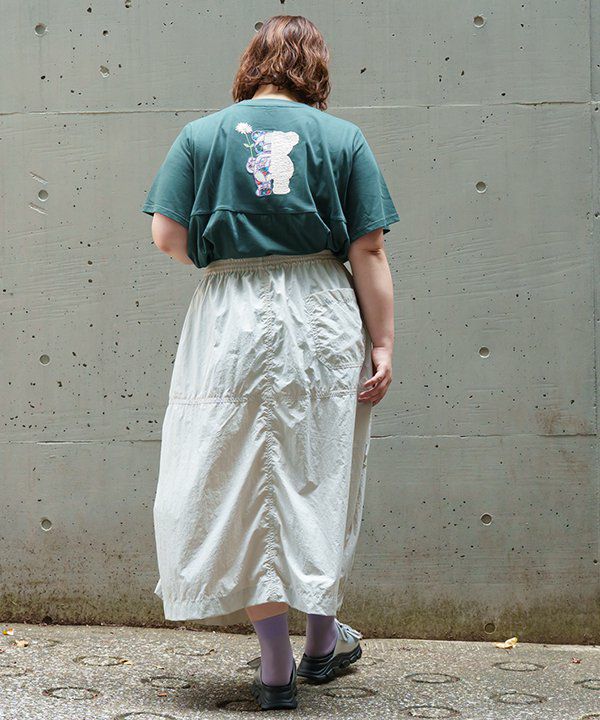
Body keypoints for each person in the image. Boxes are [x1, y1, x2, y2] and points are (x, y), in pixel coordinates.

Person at [140, 14, 399, 711]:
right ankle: (322, 641)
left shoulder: (201, 135)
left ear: (252, 63)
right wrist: (382, 343)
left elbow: (166, 234)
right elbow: (369, 249)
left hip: (228, 317)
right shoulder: (343, 138)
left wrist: (230, 264)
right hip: (320, 311)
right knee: (318, 469)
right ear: (314, 69)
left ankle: (278, 665)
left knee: (237, 473)